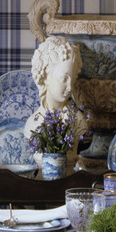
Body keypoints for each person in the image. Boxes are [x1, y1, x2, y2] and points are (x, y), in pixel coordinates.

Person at [24, 36, 88, 175]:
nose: (70, 87)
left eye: (73, 79)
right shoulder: (33, 123)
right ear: (45, 76)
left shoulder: (78, 120)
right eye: (64, 79)